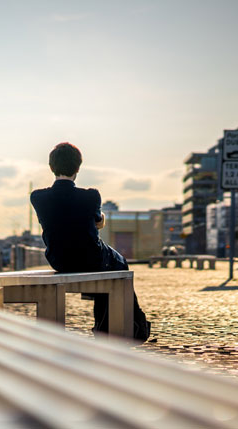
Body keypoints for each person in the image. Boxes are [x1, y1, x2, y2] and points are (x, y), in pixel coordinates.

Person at [30, 142, 150, 341]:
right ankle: (127, 327)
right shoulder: (91, 196)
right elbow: (98, 223)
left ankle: (117, 326)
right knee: (119, 264)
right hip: (91, 259)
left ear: (51, 167)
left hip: (59, 260)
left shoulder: (38, 197)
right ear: (78, 168)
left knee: (109, 267)